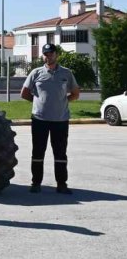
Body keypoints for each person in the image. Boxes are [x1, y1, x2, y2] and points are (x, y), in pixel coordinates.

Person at [20, 43, 80, 194]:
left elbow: (75, 93)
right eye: (46, 54)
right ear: (43, 56)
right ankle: (36, 183)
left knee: (60, 153)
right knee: (38, 152)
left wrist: (63, 102)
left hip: (60, 120)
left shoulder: (66, 73)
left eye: (51, 53)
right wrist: (38, 103)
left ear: (56, 55)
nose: (49, 56)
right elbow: (24, 93)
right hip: (40, 119)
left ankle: (61, 184)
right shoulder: (36, 73)